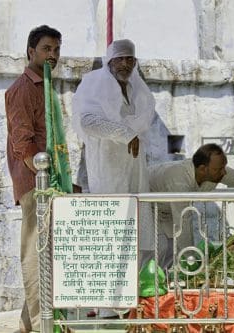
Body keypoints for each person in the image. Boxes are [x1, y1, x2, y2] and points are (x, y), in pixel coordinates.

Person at [71, 39, 155, 318]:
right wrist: (124, 134)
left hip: (134, 169)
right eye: (120, 59)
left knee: (135, 233)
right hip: (107, 170)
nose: (126, 65)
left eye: (131, 59)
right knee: (110, 234)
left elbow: (143, 122)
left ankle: (127, 299)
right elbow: (87, 121)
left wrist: (132, 134)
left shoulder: (137, 88)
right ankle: (105, 306)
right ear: (109, 61)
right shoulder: (94, 82)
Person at [5, 25, 62, 333]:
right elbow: (23, 141)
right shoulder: (23, 88)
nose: (52, 54)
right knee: (34, 253)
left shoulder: (45, 86)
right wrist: (43, 181)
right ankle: (42, 324)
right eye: (46, 49)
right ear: (31, 52)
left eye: (56, 49)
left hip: (49, 181)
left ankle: (28, 324)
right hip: (35, 183)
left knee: (45, 252)